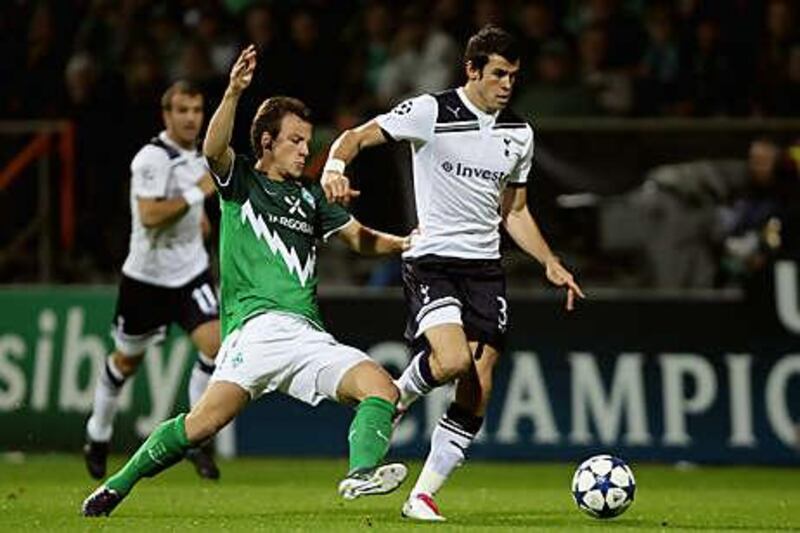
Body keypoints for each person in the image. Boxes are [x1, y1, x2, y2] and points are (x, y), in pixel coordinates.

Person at [82, 45, 411, 517]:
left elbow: (358, 238)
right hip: (254, 332)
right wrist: (234, 91)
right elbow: (213, 148)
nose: (305, 148)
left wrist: (404, 243)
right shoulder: (240, 184)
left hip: (306, 335)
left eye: (306, 140)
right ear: (266, 143)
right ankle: (115, 486)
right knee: (199, 426)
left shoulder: (312, 198)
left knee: (382, 388)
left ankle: (359, 476)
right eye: (295, 140)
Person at [322, 25, 584, 521]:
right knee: (452, 360)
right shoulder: (430, 111)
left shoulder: (519, 134)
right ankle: (393, 397)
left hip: (485, 269)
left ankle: (422, 494)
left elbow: (516, 211)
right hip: (433, 261)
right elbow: (356, 137)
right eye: (499, 74)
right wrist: (334, 167)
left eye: (514, 76)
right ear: (472, 70)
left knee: (478, 381)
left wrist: (548, 260)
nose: (507, 85)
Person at [83, 81, 222, 482]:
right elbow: (149, 216)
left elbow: (189, 211)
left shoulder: (198, 158)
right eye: (183, 110)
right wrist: (197, 197)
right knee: (126, 361)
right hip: (146, 279)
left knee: (215, 346)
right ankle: (98, 434)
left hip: (190, 273)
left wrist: (200, 220)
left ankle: (197, 439)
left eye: (197, 110)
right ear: (167, 115)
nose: (192, 118)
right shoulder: (151, 159)